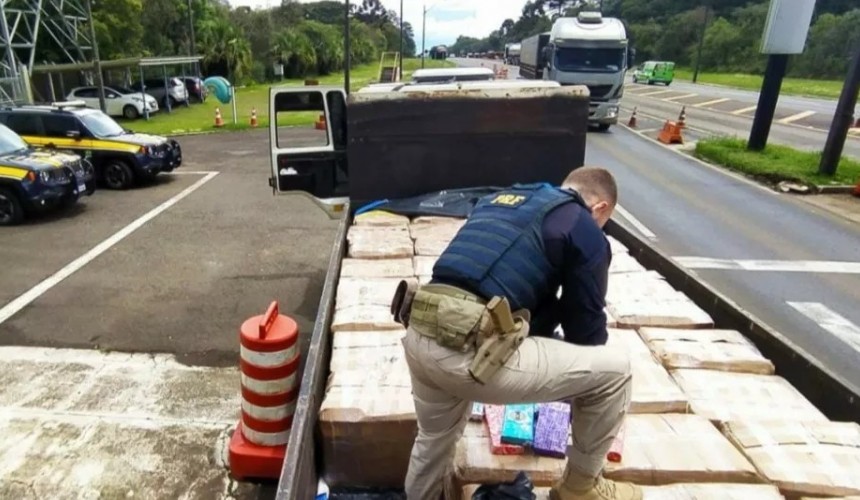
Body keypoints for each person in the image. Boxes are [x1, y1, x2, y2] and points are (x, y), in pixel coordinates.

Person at [399, 166, 641, 500]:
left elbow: (500, 282)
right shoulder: (581, 223)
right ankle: (579, 489)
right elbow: (586, 331)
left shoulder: (505, 199)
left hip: (420, 332)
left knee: (434, 438)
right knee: (615, 371)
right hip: (468, 353)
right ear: (600, 208)